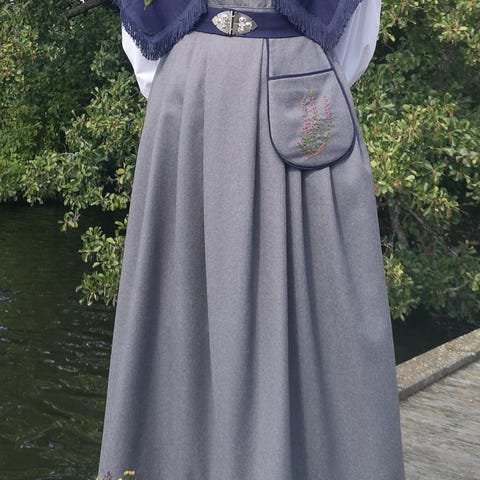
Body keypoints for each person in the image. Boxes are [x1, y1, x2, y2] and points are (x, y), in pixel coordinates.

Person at [98, 1, 407, 479]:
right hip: (298, 87)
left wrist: (205, 74)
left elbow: (144, 55)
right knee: (320, 321)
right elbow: (354, 42)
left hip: (191, 99)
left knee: (180, 315)